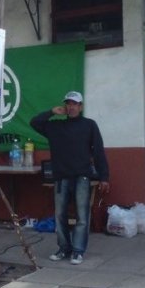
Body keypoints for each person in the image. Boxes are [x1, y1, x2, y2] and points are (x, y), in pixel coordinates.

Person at [30, 91, 110, 265]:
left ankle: (78, 251)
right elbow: (34, 122)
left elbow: (98, 151)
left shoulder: (89, 125)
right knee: (60, 216)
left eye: (74, 104)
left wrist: (104, 176)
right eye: (68, 103)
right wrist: (52, 112)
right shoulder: (55, 127)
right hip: (61, 177)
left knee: (82, 215)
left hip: (82, 176)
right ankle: (64, 248)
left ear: (80, 107)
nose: (71, 106)